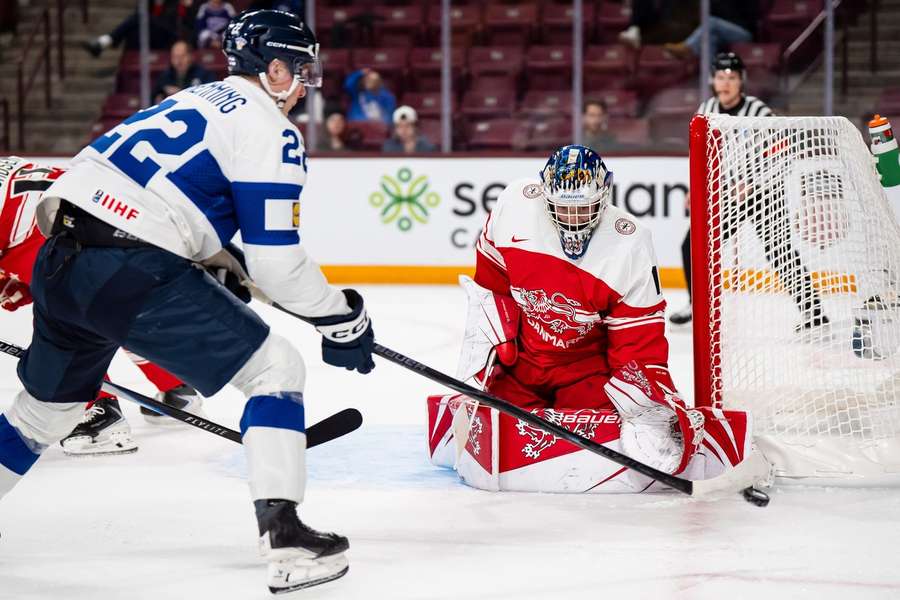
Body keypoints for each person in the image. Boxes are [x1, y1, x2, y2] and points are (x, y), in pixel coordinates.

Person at [0, 9, 374, 594]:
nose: (304, 85)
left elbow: (150, 197)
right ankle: (287, 540)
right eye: (299, 70)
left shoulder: (192, 100)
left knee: (44, 413)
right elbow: (279, 266)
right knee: (277, 368)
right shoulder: (269, 130)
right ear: (274, 68)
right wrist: (343, 317)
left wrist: (214, 258)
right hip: (128, 267)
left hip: (58, 257)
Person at [469, 144, 747, 477]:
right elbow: (491, 285)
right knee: (482, 415)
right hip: (522, 361)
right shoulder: (514, 206)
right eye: (563, 209)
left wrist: (645, 408)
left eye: (584, 209)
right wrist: (493, 345)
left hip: (584, 371)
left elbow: (637, 342)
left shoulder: (629, 244)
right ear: (545, 197)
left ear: (604, 196)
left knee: (613, 434)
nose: (573, 221)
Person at [0, 157, 204, 457]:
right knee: (110, 307)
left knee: (66, 320)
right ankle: (176, 383)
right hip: (96, 209)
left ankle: (99, 413)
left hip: (56, 228)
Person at [670, 52, 827, 331]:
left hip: (765, 194)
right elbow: (701, 155)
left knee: (780, 251)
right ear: (713, 81)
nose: (726, 82)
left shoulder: (759, 112)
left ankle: (814, 313)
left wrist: (753, 184)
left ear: (741, 81)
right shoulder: (706, 109)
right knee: (692, 244)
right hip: (728, 194)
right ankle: (696, 304)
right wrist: (694, 187)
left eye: (732, 77)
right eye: (721, 77)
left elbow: (782, 155)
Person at [82, 0, 196, 57]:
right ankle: (115, 46)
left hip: (171, 37)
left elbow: (172, 24)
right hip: (153, 34)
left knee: (140, 17)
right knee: (134, 30)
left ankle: (107, 41)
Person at [664, 0, 759, 62]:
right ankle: (711, 78)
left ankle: (687, 47)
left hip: (744, 33)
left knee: (711, 21)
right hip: (722, 33)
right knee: (709, 39)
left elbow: (752, 18)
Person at [152, 39, 216, 104]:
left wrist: (180, 93)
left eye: (182, 56)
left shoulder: (204, 75)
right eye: (175, 57)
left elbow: (209, 98)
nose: (178, 61)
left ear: (191, 56)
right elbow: (153, 99)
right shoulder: (165, 77)